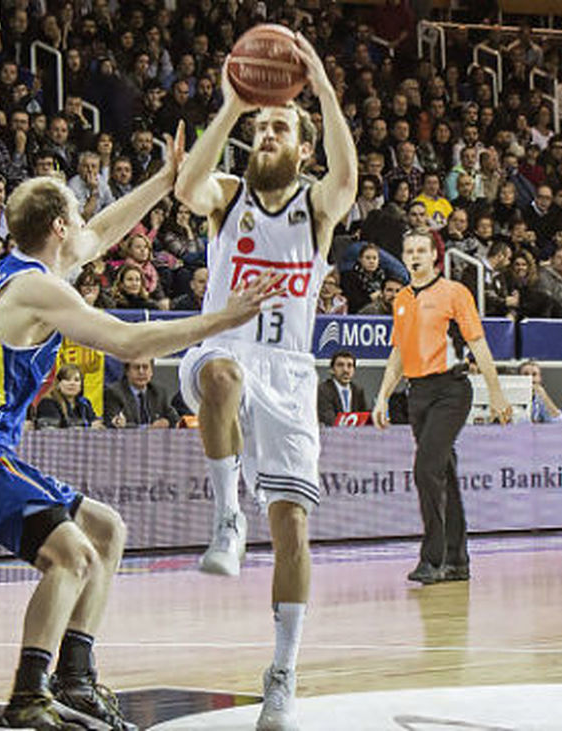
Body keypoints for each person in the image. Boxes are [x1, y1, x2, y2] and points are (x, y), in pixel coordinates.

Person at [0, 124, 280, 730]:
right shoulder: (37, 290)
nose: (85, 224)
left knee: (106, 531)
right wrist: (224, 318)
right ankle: (28, 697)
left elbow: (102, 233)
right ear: (59, 227)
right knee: (72, 555)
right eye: (76, 214)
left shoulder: (30, 268)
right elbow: (130, 341)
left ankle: (75, 680)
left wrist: (164, 181)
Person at [172, 34, 357, 731]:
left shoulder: (316, 208)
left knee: (294, 529)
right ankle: (225, 516)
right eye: (261, 128)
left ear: (302, 147)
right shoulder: (227, 194)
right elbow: (186, 186)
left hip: (290, 376)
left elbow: (350, 178)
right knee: (217, 373)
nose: (268, 134)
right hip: (229, 344)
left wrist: (324, 92)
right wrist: (231, 106)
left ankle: (282, 671)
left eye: (280, 126)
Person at [372, 233, 512, 587]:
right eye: (409, 251)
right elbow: (398, 354)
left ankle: (432, 558)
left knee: (426, 469)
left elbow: (477, 343)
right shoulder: (402, 299)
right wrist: (382, 396)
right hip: (417, 393)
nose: (415, 256)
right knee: (443, 473)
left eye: (421, 250)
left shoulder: (454, 293)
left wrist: (496, 392)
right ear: (402, 257)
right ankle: (457, 559)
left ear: (434, 256)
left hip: (451, 390)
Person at [103, 358, 178, 428]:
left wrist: (167, 422)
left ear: (151, 372)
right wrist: (147, 428)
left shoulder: (158, 392)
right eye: (136, 368)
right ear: (127, 371)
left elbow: (174, 417)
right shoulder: (114, 393)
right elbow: (112, 423)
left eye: (145, 367)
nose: (141, 372)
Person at [36, 364, 101, 429]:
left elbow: (95, 423)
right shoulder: (47, 403)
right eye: (67, 379)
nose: (72, 383)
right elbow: (51, 431)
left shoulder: (84, 403)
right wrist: (89, 427)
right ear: (58, 384)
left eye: (76, 380)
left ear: (81, 385)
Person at [317, 350, 370, 426]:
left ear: (354, 370)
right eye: (340, 365)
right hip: (332, 435)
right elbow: (329, 420)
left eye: (349, 366)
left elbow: (364, 418)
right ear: (332, 370)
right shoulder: (323, 390)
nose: (345, 370)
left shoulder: (358, 391)